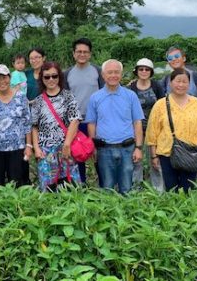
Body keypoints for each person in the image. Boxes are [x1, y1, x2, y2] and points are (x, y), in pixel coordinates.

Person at [146, 68, 197, 193]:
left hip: (191, 153)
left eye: (184, 82)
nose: (181, 85)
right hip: (166, 153)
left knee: (188, 189)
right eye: (177, 81)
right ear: (170, 83)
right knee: (171, 189)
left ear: (189, 84)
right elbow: (152, 131)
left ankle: (186, 212)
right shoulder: (160, 104)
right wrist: (154, 155)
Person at [85, 59, 144, 194]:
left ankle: (127, 213)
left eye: (116, 72)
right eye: (109, 72)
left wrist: (139, 148)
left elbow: (137, 122)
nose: (113, 75)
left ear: (121, 74)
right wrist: (93, 147)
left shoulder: (130, 96)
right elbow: (92, 123)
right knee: (107, 187)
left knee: (127, 187)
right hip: (104, 149)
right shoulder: (95, 97)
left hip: (127, 149)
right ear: (103, 75)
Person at [32, 62, 82, 191]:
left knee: (71, 187)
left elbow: (75, 121)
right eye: (47, 77)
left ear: (59, 77)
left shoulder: (68, 96)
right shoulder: (38, 101)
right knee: (48, 187)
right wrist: (36, 148)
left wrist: (67, 144)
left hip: (67, 149)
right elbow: (34, 126)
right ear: (42, 79)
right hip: (46, 151)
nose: (51, 80)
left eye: (54, 76)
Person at [63, 37, 104, 184]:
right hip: (75, 122)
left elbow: (104, 94)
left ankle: (104, 186)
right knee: (77, 155)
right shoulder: (67, 74)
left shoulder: (98, 71)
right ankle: (81, 186)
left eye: (85, 52)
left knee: (99, 155)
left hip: (96, 121)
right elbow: (65, 99)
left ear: (90, 54)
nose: (82, 54)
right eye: (79, 51)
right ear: (73, 54)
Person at [0, 64, 33, 186]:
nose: (1, 82)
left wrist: (28, 145)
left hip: (17, 148)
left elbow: (27, 123)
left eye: (4, 77)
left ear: (9, 77)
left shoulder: (21, 97)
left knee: (18, 184)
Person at [128, 58, 165, 191]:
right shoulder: (131, 87)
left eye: (147, 69)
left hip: (155, 128)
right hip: (136, 129)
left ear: (151, 72)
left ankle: (158, 189)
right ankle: (136, 188)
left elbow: (163, 106)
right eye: (141, 69)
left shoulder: (157, 86)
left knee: (155, 160)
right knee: (136, 159)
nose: (144, 71)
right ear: (136, 71)